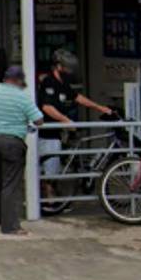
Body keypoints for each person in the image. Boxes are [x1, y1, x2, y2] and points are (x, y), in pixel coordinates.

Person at [37, 48, 112, 199]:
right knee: (50, 170)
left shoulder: (62, 83)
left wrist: (99, 107)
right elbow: (46, 107)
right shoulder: (49, 81)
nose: (69, 71)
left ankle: (53, 198)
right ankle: (49, 202)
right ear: (58, 66)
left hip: (57, 134)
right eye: (66, 68)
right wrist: (66, 120)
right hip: (47, 134)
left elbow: (77, 97)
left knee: (56, 165)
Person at [0, 65, 43, 235]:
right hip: (12, 143)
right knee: (11, 185)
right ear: (19, 80)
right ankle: (10, 226)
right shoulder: (22, 97)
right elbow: (38, 120)